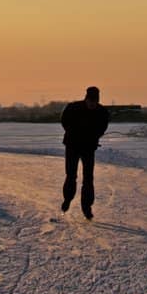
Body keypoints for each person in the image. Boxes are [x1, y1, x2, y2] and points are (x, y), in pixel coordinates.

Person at [60, 86, 109, 219]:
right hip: (72, 146)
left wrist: (93, 136)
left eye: (95, 102)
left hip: (88, 147)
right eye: (90, 101)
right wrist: (75, 133)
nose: (92, 104)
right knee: (71, 175)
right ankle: (67, 199)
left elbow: (102, 127)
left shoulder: (102, 112)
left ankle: (87, 207)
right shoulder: (73, 108)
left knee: (88, 178)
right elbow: (64, 121)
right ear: (86, 99)